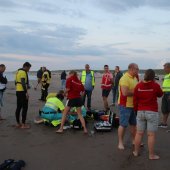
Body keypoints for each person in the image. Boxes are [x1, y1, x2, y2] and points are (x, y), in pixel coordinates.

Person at [133, 69, 163, 160]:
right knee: (151, 135)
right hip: (152, 112)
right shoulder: (155, 85)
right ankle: (151, 155)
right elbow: (160, 94)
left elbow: (135, 100)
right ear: (153, 76)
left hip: (141, 111)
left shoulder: (138, 86)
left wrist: (136, 110)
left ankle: (136, 152)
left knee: (139, 133)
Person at [117, 63, 139, 150]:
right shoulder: (124, 78)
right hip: (124, 105)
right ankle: (120, 142)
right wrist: (136, 92)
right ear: (131, 69)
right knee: (123, 124)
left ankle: (134, 140)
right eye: (137, 69)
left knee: (134, 124)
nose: (138, 70)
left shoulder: (135, 78)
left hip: (133, 105)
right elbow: (125, 93)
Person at [15, 62, 31, 129]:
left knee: (18, 107)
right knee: (25, 108)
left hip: (18, 91)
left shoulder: (18, 72)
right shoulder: (23, 72)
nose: (29, 70)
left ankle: (18, 123)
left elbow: (15, 82)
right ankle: (23, 125)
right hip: (22, 92)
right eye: (29, 68)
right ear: (26, 67)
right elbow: (23, 82)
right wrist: (26, 92)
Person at [158, 62, 170, 128]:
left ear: (169, 68)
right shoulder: (166, 75)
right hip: (165, 94)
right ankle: (164, 123)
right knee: (165, 109)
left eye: (165, 68)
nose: (164, 69)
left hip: (169, 94)